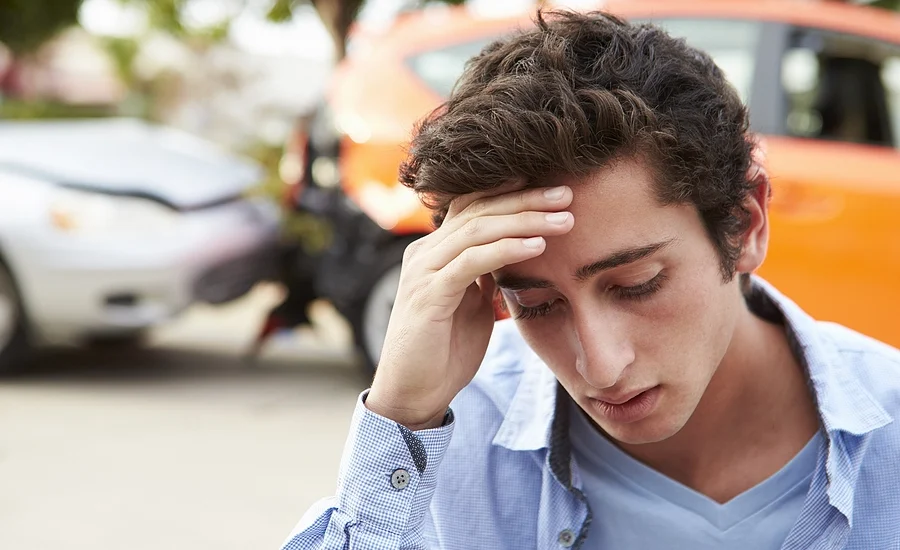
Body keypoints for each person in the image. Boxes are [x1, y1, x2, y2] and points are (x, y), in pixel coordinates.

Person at [282, 10, 900, 549]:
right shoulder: (449, 436)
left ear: (744, 224)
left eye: (636, 284)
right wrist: (400, 419)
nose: (601, 367)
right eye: (539, 305)